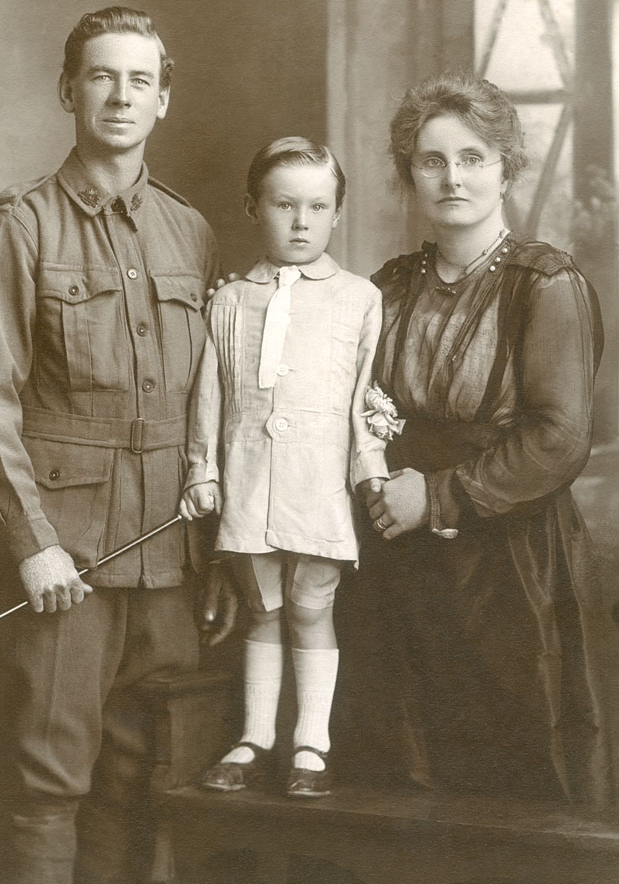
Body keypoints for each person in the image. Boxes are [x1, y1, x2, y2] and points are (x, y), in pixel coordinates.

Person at [0, 6, 237, 884]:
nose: (121, 95)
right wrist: (32, 542)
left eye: (140, 79)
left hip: (166, 558)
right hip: (68, 559)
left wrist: (218, 549)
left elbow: (210, 407)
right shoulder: (21, 227)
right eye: (102, 76)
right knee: (50, 781)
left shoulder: (188, 232)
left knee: (136, 775)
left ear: (164, 98)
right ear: (68, 89)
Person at [354, 70, 613, 813]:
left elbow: (559, 440)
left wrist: (434, 494)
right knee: (397, 789)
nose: (451, 177)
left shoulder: (545, 284)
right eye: (430, 161)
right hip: (397, 567)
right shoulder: (388, 286)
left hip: (510, 568)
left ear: (505, 168)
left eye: (471, 157)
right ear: (409, 174)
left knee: (509, 790)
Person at [179, 137, 389, 798]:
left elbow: (362, 402)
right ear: (252, 208)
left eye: (316, 207)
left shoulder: (358, 298)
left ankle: (311, 747)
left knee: (309, 606)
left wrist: (371, 473)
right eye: (283, 205)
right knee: (260, 608)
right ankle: (254, 738)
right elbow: (208, 395)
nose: (300, 222)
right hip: (248, 479)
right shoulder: (229, 300)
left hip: (317, 485)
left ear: (336, 213)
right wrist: (200, 470)